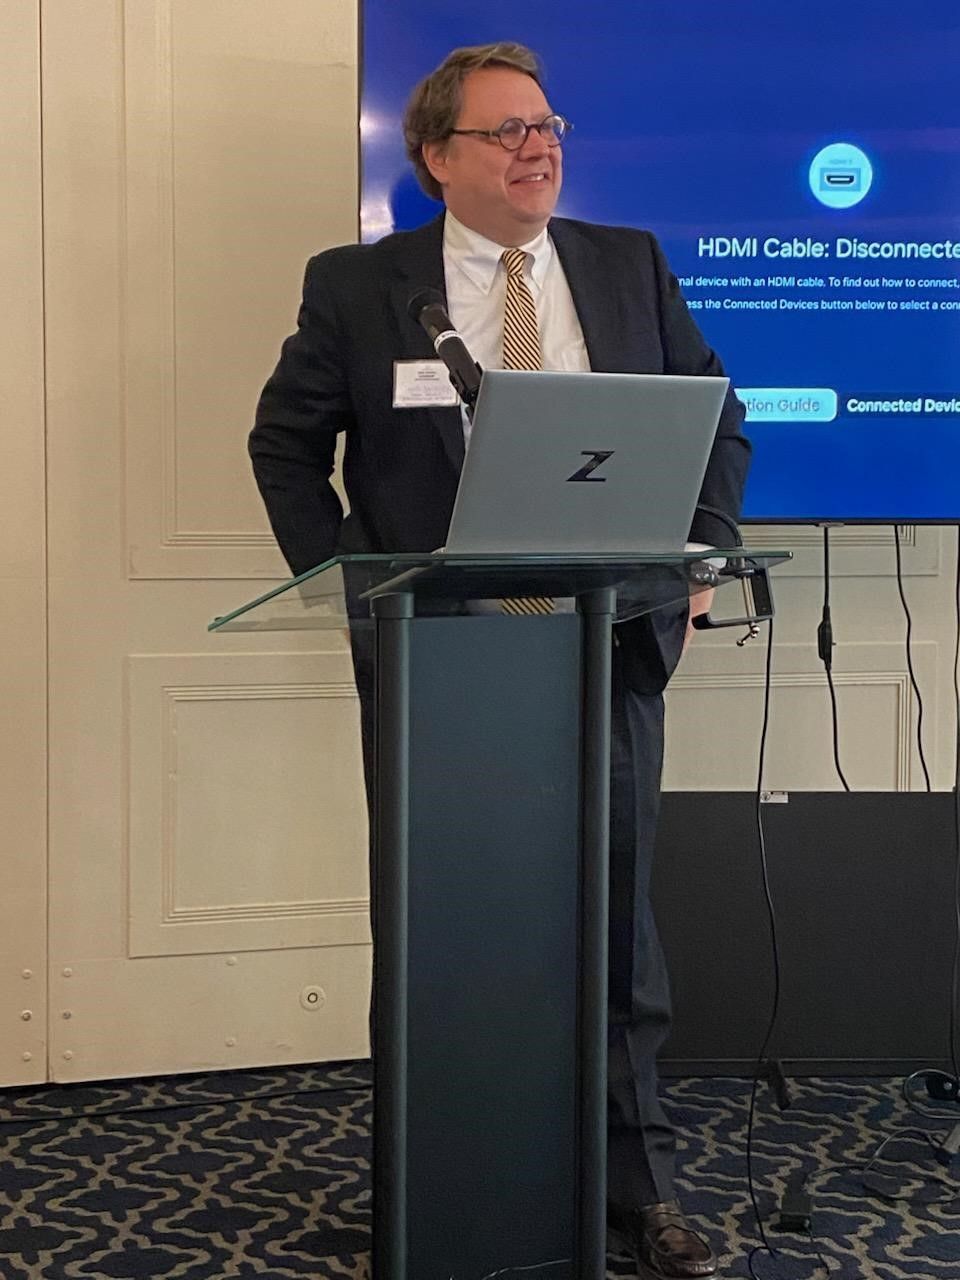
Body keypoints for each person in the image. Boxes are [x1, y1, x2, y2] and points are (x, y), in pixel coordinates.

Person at [249, 41, 750, 1280]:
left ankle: (639, 1188)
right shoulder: (360, 286)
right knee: (443, 922)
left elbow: (715, 418)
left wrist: (702, 550)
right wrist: (354, 584)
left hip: (607, 641)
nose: (539, 148)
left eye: (547, 125)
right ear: (436, 157)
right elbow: (285, 444)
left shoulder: (624, 263)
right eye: (506, 130)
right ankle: (437, 1183)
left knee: (615, 923)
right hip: (444, 655)